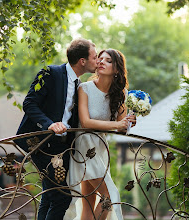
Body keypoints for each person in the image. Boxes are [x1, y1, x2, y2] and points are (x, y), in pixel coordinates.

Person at [14, 38, 98, 220]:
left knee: (49, 197)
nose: (97, 60)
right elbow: (29, 103)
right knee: (61, 198)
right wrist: (49, 124)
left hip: (64, 147)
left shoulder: (81, 85)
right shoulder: (50, 73)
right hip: (41, 142)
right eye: (94, 56)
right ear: (82, 61)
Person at [65, 49, 136, 220]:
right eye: (100, 58)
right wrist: (117, 124)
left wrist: (130, 121)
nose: (101, 62)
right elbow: (86, 122)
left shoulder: (121, 94)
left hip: (100, 148)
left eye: (108, 60)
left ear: (117, 69)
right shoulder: (85, 88)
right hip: (84, 146)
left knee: (88, 206)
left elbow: (121, 126)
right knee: (109, 198)